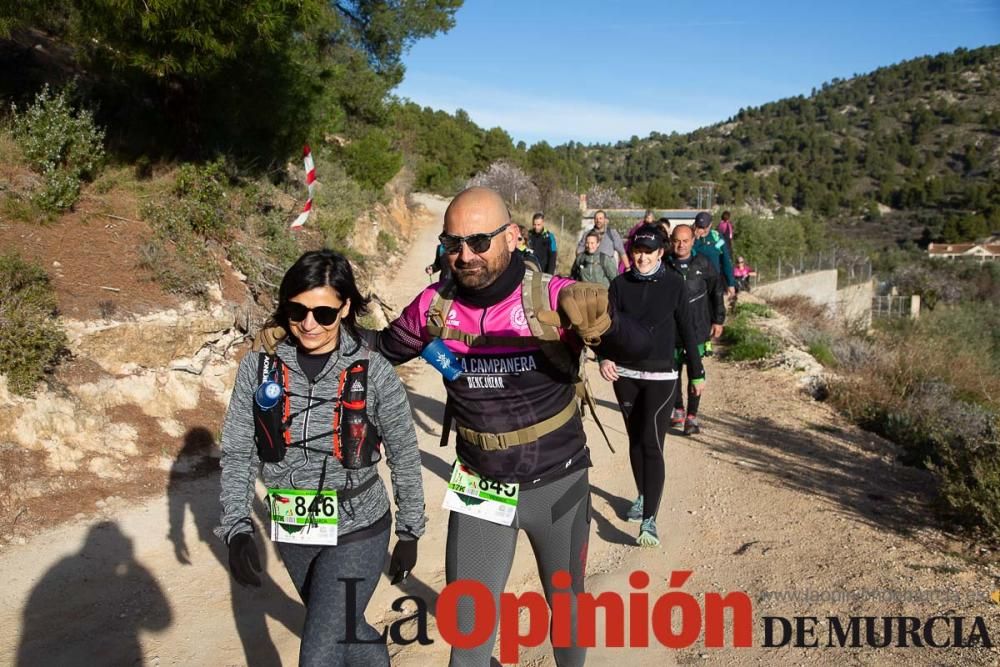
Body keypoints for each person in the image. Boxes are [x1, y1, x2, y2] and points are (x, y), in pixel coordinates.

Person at [360, 186, 648, 666]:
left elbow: (640, 347)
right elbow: (382, 348)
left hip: (559, 483)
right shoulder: (434, 306)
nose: (465, 255)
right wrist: (310, 327)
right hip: (480, 487)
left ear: (513, 236)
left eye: (478, 241)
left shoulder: (555, 298)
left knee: (568, 612)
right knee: (468, 635)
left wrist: (606, 325)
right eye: (453, 244)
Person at [218, 249, 427, 667]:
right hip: (294, 526)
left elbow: (403, 451)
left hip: (359, 527)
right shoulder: (259, 369)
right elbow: (238, 449)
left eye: (324, 313)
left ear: (345, 307)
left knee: (318, 653)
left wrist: (409, 529)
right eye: (297, 310)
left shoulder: (374, 371)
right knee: (345, 630)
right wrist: (237, 525)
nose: (309, 324)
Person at [599, 224, 705, 547]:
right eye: (638, 251)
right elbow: (607, 326)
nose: (642, 257)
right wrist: (604, 356)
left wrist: (697, 373)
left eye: (649, 252)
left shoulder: (674, 284)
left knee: (651, 441)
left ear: (661, 252)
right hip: (626, 376)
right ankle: (643, 495)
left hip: (662, 376)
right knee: (634, 439)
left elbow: (687, 328)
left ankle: (649, 521)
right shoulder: (619, 285)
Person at [666, 224, 725, 436]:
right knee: (671, 373)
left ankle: (692, 416)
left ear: (693, 241)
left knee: (695, 372)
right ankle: (678, 410)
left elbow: (716, 293)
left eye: (685, 240)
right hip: (671, 332)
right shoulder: (664, 264)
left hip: (698, 328)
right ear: (671, 241)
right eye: (677, 241)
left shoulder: (704, 264)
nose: (681, 245)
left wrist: (718, 320)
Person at [692, 211, 736, 298]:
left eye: (705, 227)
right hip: (695, 281)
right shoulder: (689, 237)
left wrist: (730, 283)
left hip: (714, 280)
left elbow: (726, 260)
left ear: (710, 224)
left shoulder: (717, 237)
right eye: (700, 226)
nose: (703, 230)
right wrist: (695, 241)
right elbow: (689, 254)